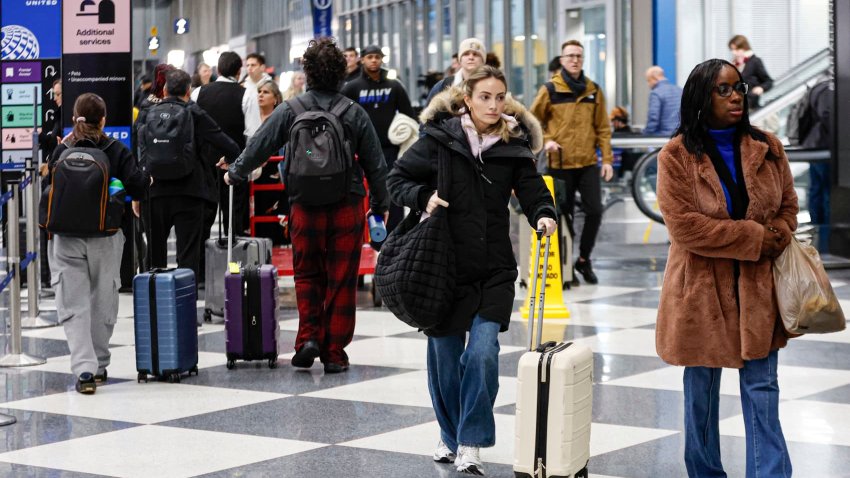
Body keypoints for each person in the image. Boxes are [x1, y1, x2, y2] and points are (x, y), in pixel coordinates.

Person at [388, 66, 557, 476]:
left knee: (482, 353)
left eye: (500, 97)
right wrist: (424, 196)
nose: (494, 105)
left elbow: (533, 191)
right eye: (485, 97)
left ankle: (470, 442)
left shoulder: (513, 146)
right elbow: (397, 180)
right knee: (445, 359)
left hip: (494, 268)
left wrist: (544, 214)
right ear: (467, 99)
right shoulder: (439, 140)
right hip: (443, 266)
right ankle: (450, 435)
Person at [656, 59, 798, 477]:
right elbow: (684, 227)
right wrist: (756, 238)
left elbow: (788, 206)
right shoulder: (676, 155)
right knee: (701, 390)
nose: (736, 96)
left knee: (762, 387)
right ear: (701, 97)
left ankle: (769, 473)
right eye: (724, 90)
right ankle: (704, 472)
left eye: (739, 87)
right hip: (700, 289)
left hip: (758, 287)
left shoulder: (767, 146)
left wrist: (780, 232)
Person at [225, 37, 389, 374]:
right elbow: (376, 163)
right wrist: (381, 204)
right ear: (341, 73)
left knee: (307, 273)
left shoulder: (291, 109)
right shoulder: (352, 111)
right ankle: (334, 353)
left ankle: (307, 339)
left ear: (308, 72)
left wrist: (235, 173)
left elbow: (259, 145)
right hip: (347, 204)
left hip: (303, 206)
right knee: (341, 279)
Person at [46, 93, 149, 394]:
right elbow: (137, 185)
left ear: (75, 117)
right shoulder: (116, 149)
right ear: (103, 120)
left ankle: (85, 371)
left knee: (72, 303)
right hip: (106, 235)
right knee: (104, 298)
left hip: (65, 237)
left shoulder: (62, 148)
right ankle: (100, 363)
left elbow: (50, 185)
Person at [138, 69, 241, 283]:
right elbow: (228, 144)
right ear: (189, 90)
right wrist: (228, 160)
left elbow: (138, 154)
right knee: (188, 259)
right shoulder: (195, 113)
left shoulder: (147, 113)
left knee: (154, 258)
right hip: (190, 193)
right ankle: (185, 311)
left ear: (164, 90)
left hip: (154, 193)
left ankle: (154, 310)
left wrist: (138, 193)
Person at [530, 39, 613, 285]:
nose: (575, 60)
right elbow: (532, 122)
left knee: (595, 211)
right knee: (562, 217)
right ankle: (565, 269)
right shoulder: (550, 89)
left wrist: (606, 159)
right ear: (562, 60)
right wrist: (546, 140)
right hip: (559, 164)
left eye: (579, 55)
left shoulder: (593, 90)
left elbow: (603, 128)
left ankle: (584, 260)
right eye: (570, 56)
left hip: (587, 163)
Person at [341, 44, 415, 233]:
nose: (374, 60)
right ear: (362, 60)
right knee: (356, 191)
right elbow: (339, 115)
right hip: (359, 149)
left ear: (382, 59)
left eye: (377, 57)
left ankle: (394, 233)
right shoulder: (352, 87)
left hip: (388, 149)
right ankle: (356, 231)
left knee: (391, 188)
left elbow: (409, 115)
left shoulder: (394, 85)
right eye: (370, 57)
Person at [192, 51, 251, 254]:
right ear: (239, 70)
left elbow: (191, 129)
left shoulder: (198, 92)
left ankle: (200, 268)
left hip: (204, 164)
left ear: (218, 69)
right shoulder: (246, 94)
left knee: (203, 218)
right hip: (236, 163)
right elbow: (252, 134)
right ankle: (234, 265)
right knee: (233, 216)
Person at [801, 79, 833, 227]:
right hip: (824, 145)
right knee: (827, 189)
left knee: (817, 188)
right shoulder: (828, 90)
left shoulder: (818, 88)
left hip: (814, 144)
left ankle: (817, 226)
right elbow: (827, 116)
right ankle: (826, 228)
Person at [425, 38, 487, 105]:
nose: (471, 57)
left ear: (483, 60)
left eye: (475, 54)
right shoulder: (444, 85)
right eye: (466, 54)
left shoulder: (493, 85)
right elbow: (429, 113)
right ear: (460, 59)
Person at [729, 35, 773, 109]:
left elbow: (768, 81)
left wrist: (761, 88)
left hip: (750, 105)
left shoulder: (755, 61)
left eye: (736, 49)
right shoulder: (734, 64)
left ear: (744, 48)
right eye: (732, 50)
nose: (734, 53)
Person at [644, 65, 682, 136]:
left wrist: (645, 135)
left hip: (663, 138)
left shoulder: (656, 93)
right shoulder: (680, 90)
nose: (648, 84)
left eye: (648, 80)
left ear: (654, 78)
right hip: (680, 137)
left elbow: (653, 120)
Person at [241, 53, 271, 139]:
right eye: (247, 65)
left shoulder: (271, 85)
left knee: (308, 152)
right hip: (248, 136)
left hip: (268, 134)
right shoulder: (243, 86)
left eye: (253, 65)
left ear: (262, 67)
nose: (249, 68)